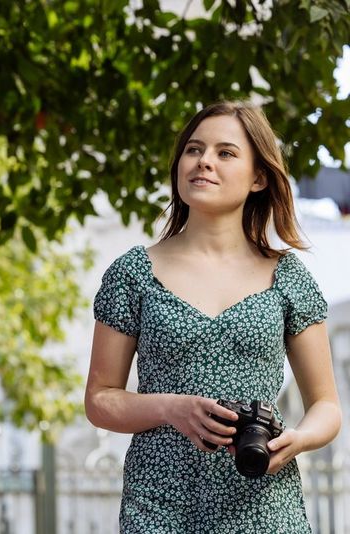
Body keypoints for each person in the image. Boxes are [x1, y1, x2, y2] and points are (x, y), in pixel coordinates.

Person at [84, 101, 341, 532]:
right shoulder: (131, 274)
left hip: (262, 504)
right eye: (194, 149)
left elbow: (327, 406)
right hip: (158, 504)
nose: (204, 161)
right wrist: (171, 408)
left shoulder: (288, 277)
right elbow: (99, 399)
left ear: (259, 177)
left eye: (225, 153)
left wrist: (298, 439)